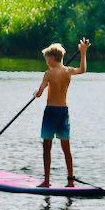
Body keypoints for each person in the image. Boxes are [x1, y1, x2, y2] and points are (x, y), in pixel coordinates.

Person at [33, 37, 90, 188]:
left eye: (46, 59)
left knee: (47, 147)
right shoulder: (68, 71)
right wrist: (83, 53)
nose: (46, 62)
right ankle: (70, 181)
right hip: (63, 112)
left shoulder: (48, 74)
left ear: (51, 58)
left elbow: (39, 93)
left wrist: (36, 93)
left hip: (51, 112)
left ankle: (46, 181)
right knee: (66, 148)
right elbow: (83, 70)